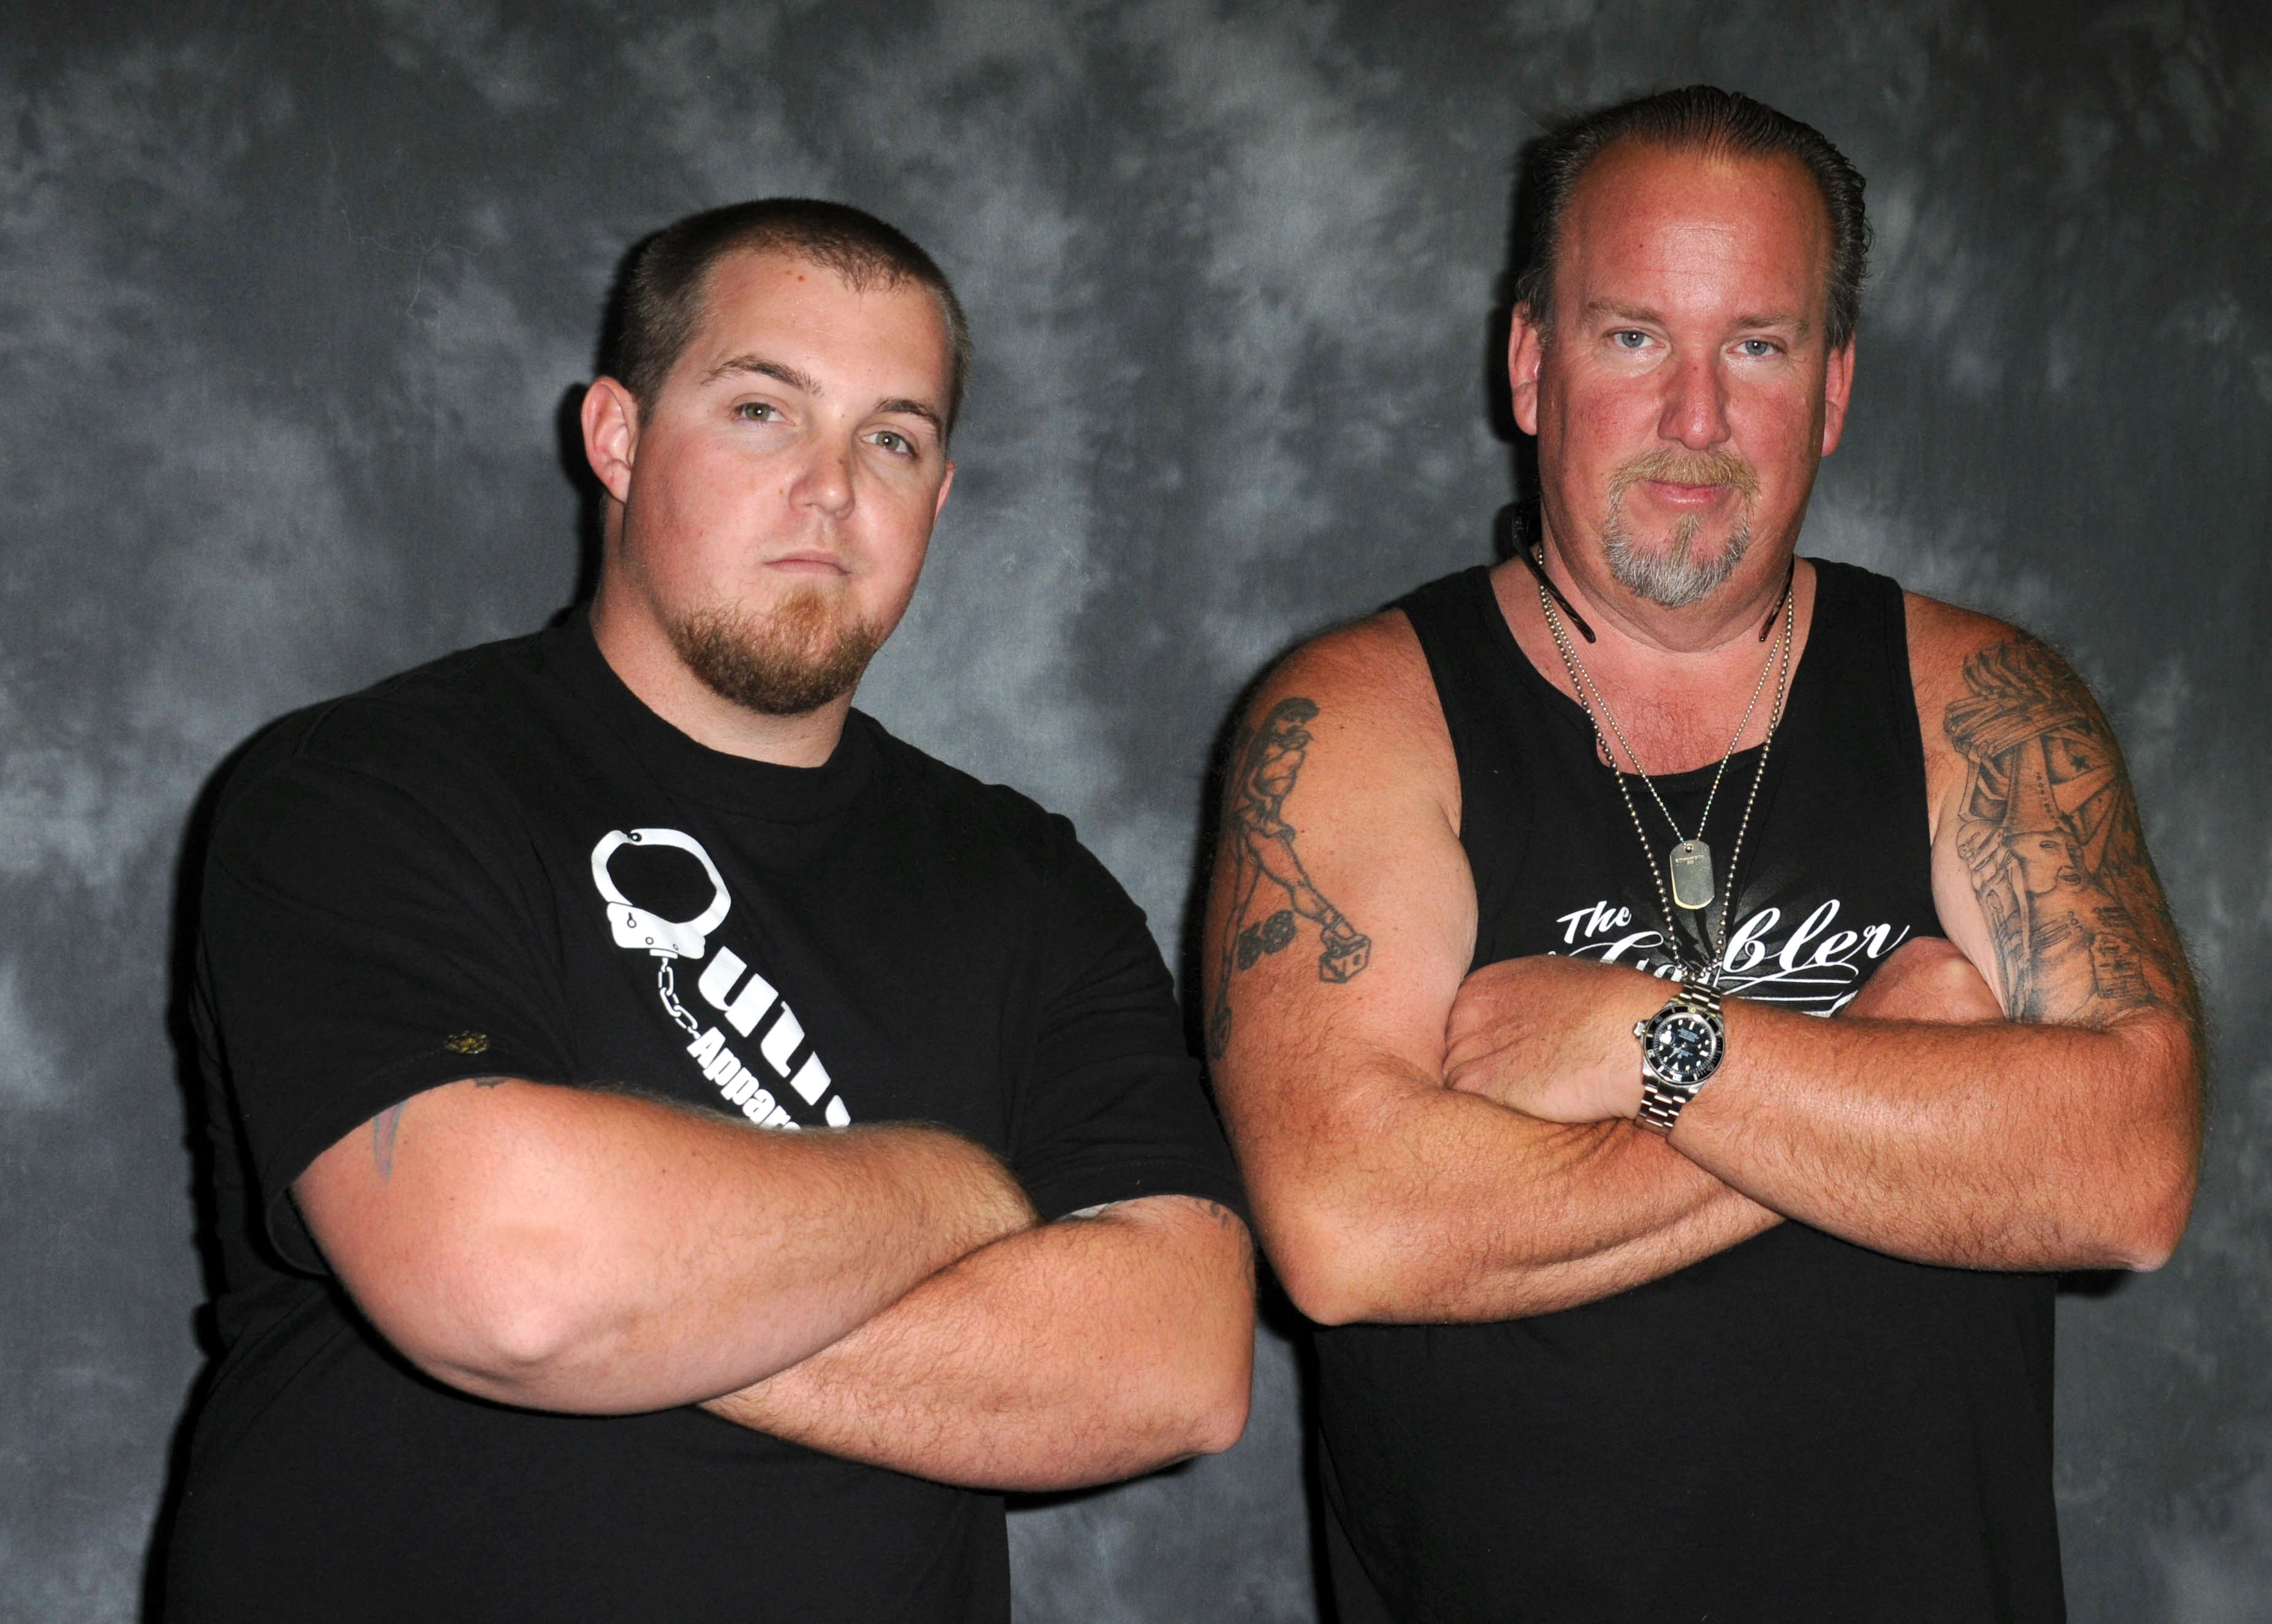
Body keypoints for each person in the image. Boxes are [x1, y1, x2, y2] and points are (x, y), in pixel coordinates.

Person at [166, 199, 1254, 1623]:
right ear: (616, 436)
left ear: (940, 492)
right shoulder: (371, 785)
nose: (831, 488)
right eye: (760, 409)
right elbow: (514, 1281)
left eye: (894, 437)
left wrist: (654, 1294)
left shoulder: (1027, 882)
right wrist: (964, 1197)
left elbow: (1171, 1364)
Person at [1206, 86, 2201, 1622]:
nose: (1695, 416)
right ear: (1528, 363)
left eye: (1756, 344)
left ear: (1832, 386)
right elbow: (1346, 1224)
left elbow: (2123, 1166)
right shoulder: (1357, 716)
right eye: (1630, 338)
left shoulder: (1975, 701)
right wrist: (1878, 1067)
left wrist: (1642, 1039)